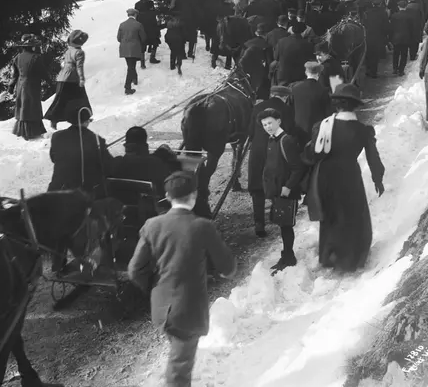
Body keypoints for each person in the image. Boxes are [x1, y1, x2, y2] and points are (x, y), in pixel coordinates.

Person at [128, 171, 236, 387]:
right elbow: (228, 268)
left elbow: (134, 270)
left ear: (168, 197)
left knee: (178, 355)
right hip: (188, 311)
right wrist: (223, 273)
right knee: (180, 368)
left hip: (161, 308)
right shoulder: (202, 226)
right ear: (194, 195)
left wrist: (154, 287)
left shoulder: (151, 225)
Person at [304, 84, 385, 272]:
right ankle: (350, 258)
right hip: (350, 176)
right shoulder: (362, 130)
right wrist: (377, 179)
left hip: (326, 176)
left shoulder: (323, 126)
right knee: (352, 214)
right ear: (355, 106)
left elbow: (312, 154)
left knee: (330, 214)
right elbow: (373, 157)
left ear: (336, 104)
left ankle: (329, 255)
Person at [257, 108, 306, 274]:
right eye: (264, 125)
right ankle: (286, 255)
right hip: (277, 190)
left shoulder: (286, 141)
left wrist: (288, 186)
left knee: (286, 226)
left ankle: (289, 257)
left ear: (278, 121)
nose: (268, 127)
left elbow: (298, 168)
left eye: (270, 123)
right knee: (282, 224)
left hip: (286, 191)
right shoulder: (271, 140)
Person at [247, 86, 296, 238]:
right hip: (276, 151)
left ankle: (259, 223)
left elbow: (250, 132)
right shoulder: (287, 109)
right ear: (285, 97)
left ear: (271, 94)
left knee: (257, 187)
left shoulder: (258, 107)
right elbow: (290, 131)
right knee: (277, 182)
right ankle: (279, 218)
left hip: (257, 151)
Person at [48, 101, 113, 195]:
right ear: (86, 121)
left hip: (58, 191)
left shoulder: (57, 137)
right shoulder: (96, 140)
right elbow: (108, 167)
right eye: (89, 120)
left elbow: (53, 158)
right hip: (85, 194)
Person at [112, 126, 181, 203]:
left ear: (126, 144)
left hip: (124, 206)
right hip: (155, 207)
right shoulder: (155, 163)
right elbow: (170, 188)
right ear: (145, 145)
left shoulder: (117, 164)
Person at [44, 30, 91, 130]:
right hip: (73, 78)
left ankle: (54, 119)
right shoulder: (80, 52)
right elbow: (79, 67)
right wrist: (81, 78)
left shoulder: (68, 51)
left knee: (61, 100)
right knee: (81, 98)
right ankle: (84, 116)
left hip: (62, 77)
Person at [8, 33, 47, 140]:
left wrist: (11, 87)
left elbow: (14, 75)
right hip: (33, 85)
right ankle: (33, 132)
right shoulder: (36, 58)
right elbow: (43, 73)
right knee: (32, 107)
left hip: (20, 85)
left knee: (23, 107)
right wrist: (50, 81)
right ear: (32, 46)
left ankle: (23, 131)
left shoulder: (17, 58)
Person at [288, 61, 331, 146]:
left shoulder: (295, 88)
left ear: (306, 72)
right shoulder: (323, 90)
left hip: (299, 129)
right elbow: (328, 112)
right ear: (319, 73)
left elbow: (290, 108)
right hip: (317, 130)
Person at [273, 22, 314, 86]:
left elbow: (276, 57)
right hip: (299, 77)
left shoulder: (281, 41)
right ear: (304, 31)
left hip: (283, 75)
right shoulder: (308, 44)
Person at [117, 8, 147, 95]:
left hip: (124, 49)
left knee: (130, 66)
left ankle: (134, 79)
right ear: (135, 15)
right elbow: (143, 38)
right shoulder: (138, 25)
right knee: (131, 67)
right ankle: (127, 87)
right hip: (134, 48)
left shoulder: (122, 24)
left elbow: (118, 38)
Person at [389, 0, 415, 76]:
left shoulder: (394, 16)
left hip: (396, 37)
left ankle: (395, 69)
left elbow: (391, 28)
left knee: (396, 54)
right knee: (404, 54)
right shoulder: (410, 16)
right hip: (406, 38)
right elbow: (412, 28)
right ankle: (401, 70)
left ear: (398, 7)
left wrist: (390, 38)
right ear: (406, 6)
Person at [134, 0, 161, 64]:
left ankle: (142, 61)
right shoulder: (150, 3)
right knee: (155, 41)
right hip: (151, 25)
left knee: (142, 42)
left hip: (142, 25)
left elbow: (136, 15)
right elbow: (153, 12)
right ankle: (152, 57)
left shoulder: (137, 4)